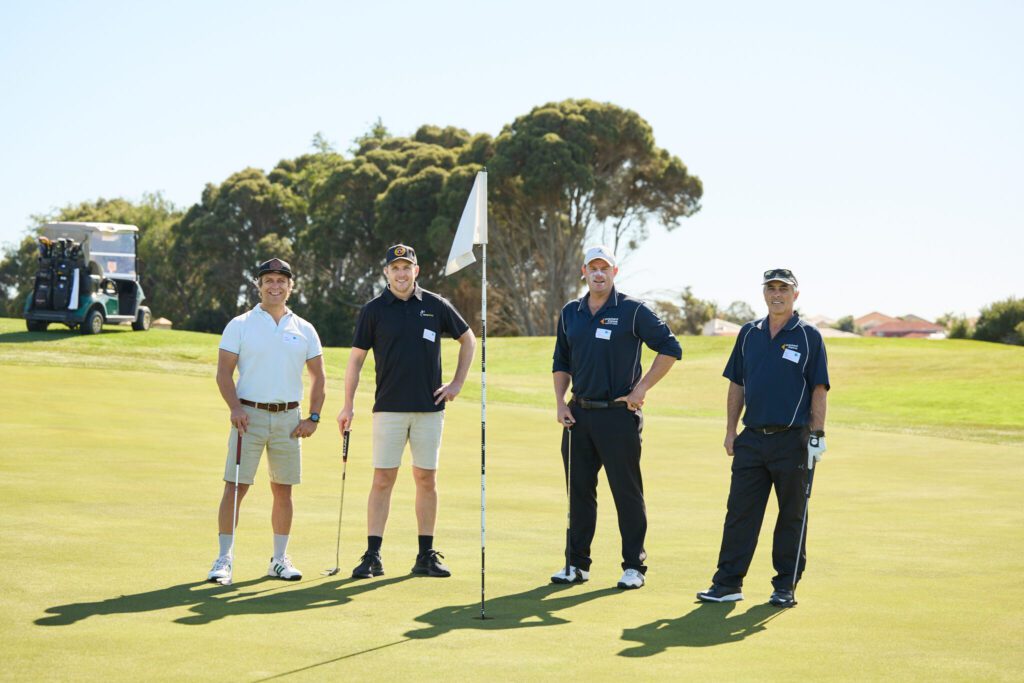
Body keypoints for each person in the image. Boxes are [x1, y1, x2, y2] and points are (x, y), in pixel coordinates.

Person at [337, 244, 476, 579]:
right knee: (383, 479)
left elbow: (469, 339)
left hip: (430, 409)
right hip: (388, 408)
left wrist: (457, 383)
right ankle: (373, 555)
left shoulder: (435, 305)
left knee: (426, 479)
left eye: (406, 267)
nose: (401, 274)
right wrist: (348, 404)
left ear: (417, 271)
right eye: (395, 268)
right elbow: (355, 361)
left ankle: (425, 555)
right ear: (386, 272)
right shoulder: (373, 310)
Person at [551, 245, 682, 590]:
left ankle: (634, 566)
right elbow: (561, 361)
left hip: (618, 416)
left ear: (614, 272)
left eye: (604, 268)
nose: (598, 274)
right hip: (578, 415)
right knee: (579, 493)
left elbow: (671, 348)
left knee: (626, 492)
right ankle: (577, 564)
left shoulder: (632, 310)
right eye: (592, 268)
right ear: (584, 272)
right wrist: (560, 403)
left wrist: (641, 389)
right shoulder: (571, 312)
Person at [697, 268, 830, 607]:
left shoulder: (808, 336)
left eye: (783, 288)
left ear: (795, 294)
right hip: (752, 439)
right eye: (771, 288)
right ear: (764, 293)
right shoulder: (749, 333)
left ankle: (785, 586)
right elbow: (737, 384)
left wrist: (817, 435)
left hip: (793, 440)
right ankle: (727, 583)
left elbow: (818, 388)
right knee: (739, 513)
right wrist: (731, 430)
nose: (777, 294)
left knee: (791, 516)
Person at [206, 258, 326, 583]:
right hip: (248, 417)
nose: (275, 286)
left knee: (283, 490)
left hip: (289, 419)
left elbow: (318, 377)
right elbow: (223, 373)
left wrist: (313, 417)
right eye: (268, 280)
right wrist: (234, 408)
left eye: (281, 281)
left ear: (290, 286)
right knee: (235, 487)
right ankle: (224, 560)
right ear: (258, 286)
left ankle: (279, 560)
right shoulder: (240, 324)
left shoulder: (304, 329)